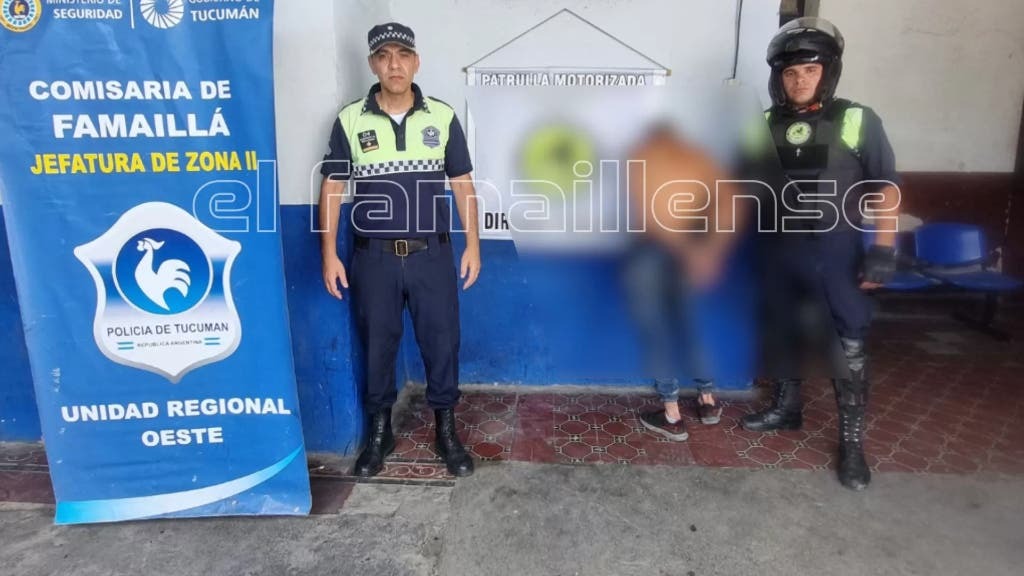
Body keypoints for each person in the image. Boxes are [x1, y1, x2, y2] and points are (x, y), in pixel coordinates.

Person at [741, 17, 900, 490]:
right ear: (778, 77)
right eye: (790, 72)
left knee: (848, 343)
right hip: (778, 249)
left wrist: (884, 248)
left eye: (809, 70)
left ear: (827, 72)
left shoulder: (856, 119)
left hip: (835, 250)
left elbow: (885, 188)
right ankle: (787, 409)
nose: (799, 80)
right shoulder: (763, 124)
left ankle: (852, 444)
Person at [319, 22, 481, 478]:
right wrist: (328, 253)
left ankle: (446, 431)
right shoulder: (351, 120)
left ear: (416, 62)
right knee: (377, 344)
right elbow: (332, 187)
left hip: (432, 255)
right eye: (384, 55)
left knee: (442, 342)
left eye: (403, 54)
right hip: (374, 259)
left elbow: (462, 184)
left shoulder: (442, 117)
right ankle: (379, 434)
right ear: (372, 64)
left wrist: (473, 244)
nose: (395, 64)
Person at [626, 125, 742, 440]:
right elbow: (730, 202)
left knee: (657, 330)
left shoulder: (644, 157)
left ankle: (672, 415)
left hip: (654, 253)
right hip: (695, 247)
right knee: (692, 325)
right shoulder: (698, 156)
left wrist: (691, 252)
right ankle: (708, 401)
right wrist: (709, 252)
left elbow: (652, 215)